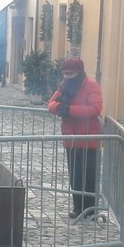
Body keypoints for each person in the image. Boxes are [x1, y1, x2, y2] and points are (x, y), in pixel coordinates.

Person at [48, 57, 103, 220]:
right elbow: (51, 103)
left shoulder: (91, 85)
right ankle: (78, 208)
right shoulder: (64, 86)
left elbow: (95, 108)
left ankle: (90, 210)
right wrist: (59, 107)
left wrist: (70, 110)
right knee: (75, 176)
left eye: (70, 73)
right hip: (70, 139)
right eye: (64, 74)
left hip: (88, 139)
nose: (67, 77)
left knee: (89, 176)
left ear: (79, 72)